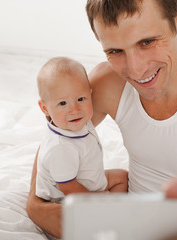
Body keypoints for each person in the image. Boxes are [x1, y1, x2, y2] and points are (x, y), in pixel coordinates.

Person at [27, 0, 177, 238]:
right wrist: (36, 206)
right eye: (115, 51)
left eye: (147, 42)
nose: (135, 70)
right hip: (126, 225)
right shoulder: (108, 83)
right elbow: (58, 135)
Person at [35, 57, 128, 238]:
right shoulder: (60, 147)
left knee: (122, 177)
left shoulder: (77, 122)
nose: (75, 109)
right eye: (62, 103)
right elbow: (68, 188)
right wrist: (97, 199)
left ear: (90, 94)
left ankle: (111, 212)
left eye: (81, 98)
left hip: (87, 179)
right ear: (44, 108)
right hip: (65, 199)